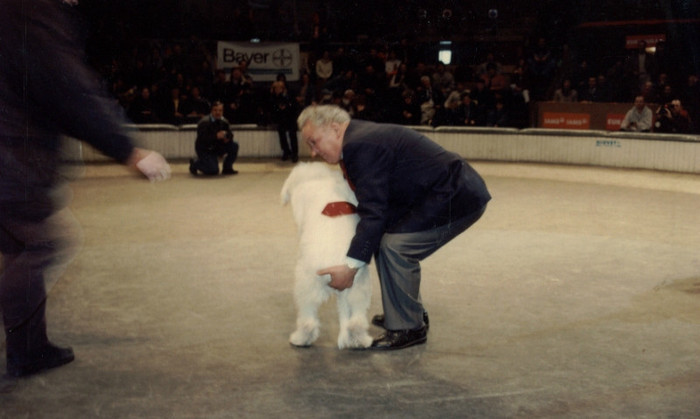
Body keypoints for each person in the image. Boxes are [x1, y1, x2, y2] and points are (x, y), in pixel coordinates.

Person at [0, 0, 171, 390]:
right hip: (11, 156)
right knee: (40, 245)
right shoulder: (29, 12)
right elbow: (67, 89)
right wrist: (128, 149)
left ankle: (30, 349)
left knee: (17, 245)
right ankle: (27, 349)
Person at [297, 105, 491, 350]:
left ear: (335, 129)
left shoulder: (359, 145)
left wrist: (350, 268)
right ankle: (407, 310)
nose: (313, 153)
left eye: (314, 142)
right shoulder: (357, 138)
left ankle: (409, 327)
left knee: (396, 247)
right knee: (384, 239)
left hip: (457, 196)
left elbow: (374, 214)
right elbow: (375, 206)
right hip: (441, 192)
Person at [189, 101, 239, 175]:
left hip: (217, 146)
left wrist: (227, 137)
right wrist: (215, 136)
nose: (218, 112)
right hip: (205, 149)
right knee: (213, 170)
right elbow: (202, 139)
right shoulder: (204, 122)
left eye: (220, 110)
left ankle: (227, 168)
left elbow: (230, 134)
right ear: (211, 111)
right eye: (215, 110)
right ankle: (195, 163)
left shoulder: (224, 121)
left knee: (234, 145)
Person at [270, 80, 300, 162]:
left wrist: (286, 106)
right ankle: (286, 151)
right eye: (275, 88)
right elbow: (273, 107)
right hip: (281, 118)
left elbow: (294, 105)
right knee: (282, 135)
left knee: (292, 135)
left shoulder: (290, 95)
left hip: (291, 117)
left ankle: (295, 153)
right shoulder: (275, 96)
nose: (276, 90)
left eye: (278, 88)